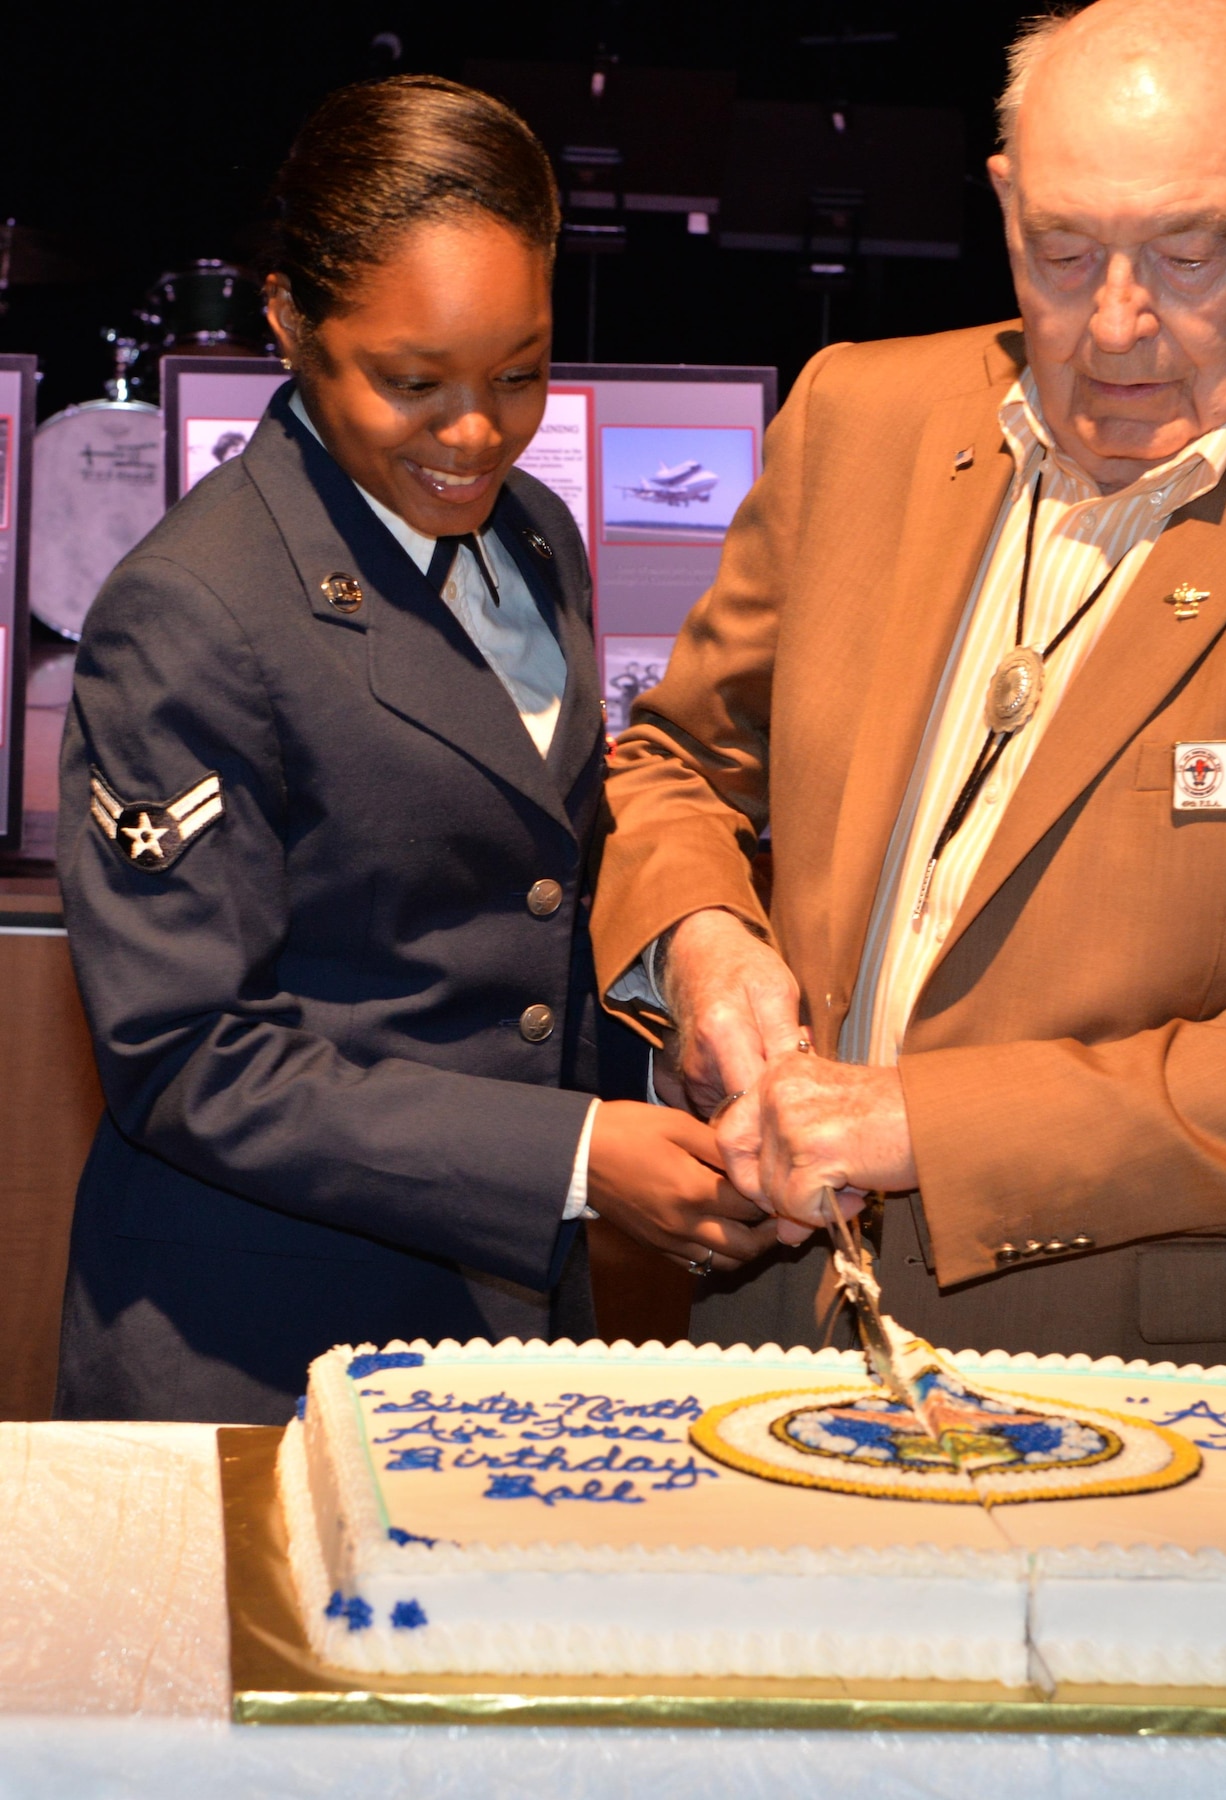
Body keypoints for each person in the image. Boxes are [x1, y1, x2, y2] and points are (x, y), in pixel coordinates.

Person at [591, 0, 1226, 1371]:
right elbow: (676, 761)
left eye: (1187, 251)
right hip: (774, 1327)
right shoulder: (854, 419)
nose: (1114, 326)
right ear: (999, 205)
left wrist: (921, 1126)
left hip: (1158, 1387)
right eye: (1060, 252)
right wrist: (701, 942)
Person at [56, 75, 773, 1422]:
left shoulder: (535, 534)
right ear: (286, 322)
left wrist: (671, 1045)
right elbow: (188, 1053)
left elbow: (522, 907)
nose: (475, 434)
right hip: (265, 1344)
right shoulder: (194, 607)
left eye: (519, 374)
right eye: (412, 382)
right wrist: (575, 1155)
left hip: (508, 1323)